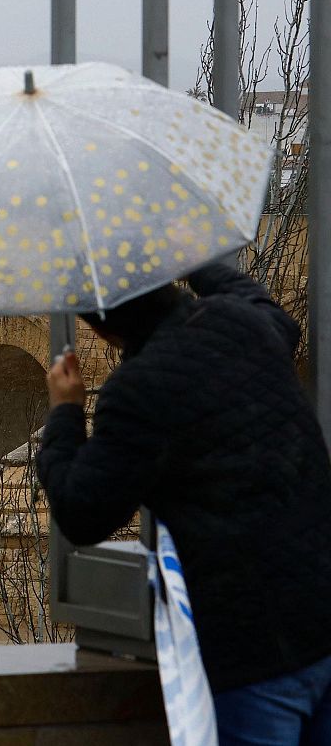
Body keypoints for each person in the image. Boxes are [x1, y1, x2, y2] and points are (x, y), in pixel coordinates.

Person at [39, 261, 331, 743]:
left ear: (102, 327)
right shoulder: (245, 323)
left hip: (256, 653)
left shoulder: (138, 392)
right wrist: (192, 256)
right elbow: (270, 309)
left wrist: (66, 412)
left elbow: (81, 511)